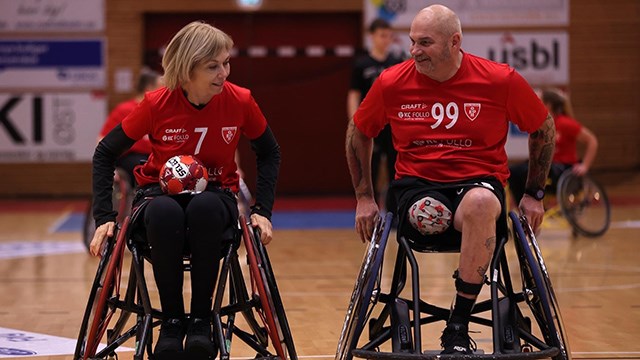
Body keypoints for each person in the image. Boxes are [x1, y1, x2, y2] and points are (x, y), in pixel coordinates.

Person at [345, 4, 555, 355]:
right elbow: (358, 132)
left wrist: (533, 193)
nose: (414, 51)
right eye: (412, 41)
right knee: (433, 212)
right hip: (417, 186)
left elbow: (543, 128)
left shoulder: (498, 79)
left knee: (483, 203)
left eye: (424, 42)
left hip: (478, 184)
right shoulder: (392, 81)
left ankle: (457, 324)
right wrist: (364, 197)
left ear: (454, 41)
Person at [89, 21, 280, 359]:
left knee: (204, 206)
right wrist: (104, 215)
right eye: (213, 66)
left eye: (226, 63)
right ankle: (173, 321)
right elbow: (105, 152)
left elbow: (269, 151)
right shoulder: (157, 103)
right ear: (187, 68)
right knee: (164, 210)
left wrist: (262, 210)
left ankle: (201, 322)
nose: (224, 72)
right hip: (159, 197)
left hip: (216, 195)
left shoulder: (240, 100)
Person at [347, 18, 405, 211]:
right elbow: (354, 94)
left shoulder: (396, 63)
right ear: (372, 36)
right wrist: (354, 122)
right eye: (381, 35)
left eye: (389, 36)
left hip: (392, 125)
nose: (385, 39)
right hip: (371, 125)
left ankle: (394, 213)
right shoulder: (362, 64)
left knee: (394, 168)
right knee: (369, 167)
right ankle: (369, 209)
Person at [509, 88, 599, 204]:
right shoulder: (543, 124)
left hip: (563, 168)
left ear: (548, 105)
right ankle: (523, 207)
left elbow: (592, 140)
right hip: (549, 165)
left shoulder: (564, 123)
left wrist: (585, 165)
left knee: (529, 171)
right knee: (514, 171)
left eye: (539, 102)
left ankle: (534, 204)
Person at [97, 67, 162, 188]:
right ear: (149, 88)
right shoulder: (124, 109)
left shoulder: (163, 110)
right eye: (161, 87)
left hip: (155, 156)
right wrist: (109, 167)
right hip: (132, 158)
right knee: (142, 167)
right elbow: (103, 140)